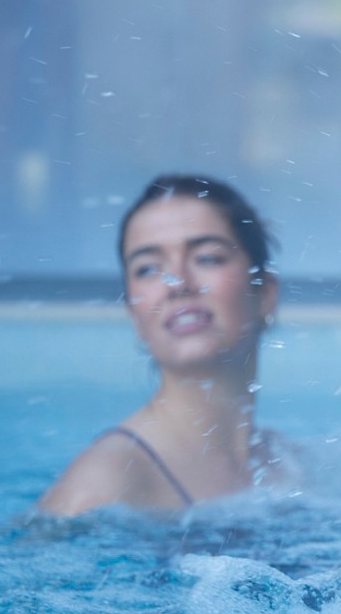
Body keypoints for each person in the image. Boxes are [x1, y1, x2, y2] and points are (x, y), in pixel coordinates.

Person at [40, 174, 291, 515]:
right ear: (134, 313)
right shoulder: (106, 482)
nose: (178, 284)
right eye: (148, 269)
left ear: (264, 294)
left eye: (207, 258)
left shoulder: (289, 464)